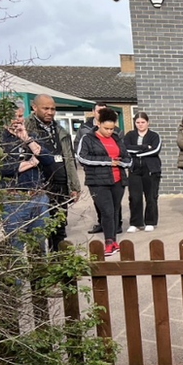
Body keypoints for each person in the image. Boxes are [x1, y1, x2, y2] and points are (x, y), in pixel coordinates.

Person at [25, 93, 80, 251]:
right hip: (39, 187)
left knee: (59, 229)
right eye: (46, 108)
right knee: (39, 232)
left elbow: (69, 160)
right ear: (34, 108)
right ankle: (41, 271)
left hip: (60, 186)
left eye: (53, 109)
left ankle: (59, 268)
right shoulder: (26, 129)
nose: (50, 112)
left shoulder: (61, 130)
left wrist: (74, 186)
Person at [76, 107, 131, 257]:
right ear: (98, 123)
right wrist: (107, 161)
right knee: (106, 212)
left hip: (117, 180)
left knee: (114, 212)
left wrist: (121, 163)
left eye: (112, 128)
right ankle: (108, 242)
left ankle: (113, 240)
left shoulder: (117, 138)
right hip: (98, 182)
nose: (109, 132)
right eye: (106, 128)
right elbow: (81, 158)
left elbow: (127, 158)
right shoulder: (87, 138)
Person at [0, 101, 53, 251]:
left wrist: (27, 139)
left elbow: (48, 159)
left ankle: (40, 274)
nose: (18, 120)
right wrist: (31, 163)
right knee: (15, 246)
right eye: (14, 117)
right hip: (14, 199)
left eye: (20, 116)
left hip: (37, 196)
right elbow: (4, 168)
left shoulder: (32, 136)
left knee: (39, 245)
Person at [75, 102, 122, 235]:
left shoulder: (116, 132)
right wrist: (104, 162)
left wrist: (120, 161)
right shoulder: (85, 130)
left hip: (115, 176)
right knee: (103, 206)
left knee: (113, 207)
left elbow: (123, 154)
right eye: (99, 111)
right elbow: (80, 151)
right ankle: (104, 226)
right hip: (96, 175)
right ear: (93, 112)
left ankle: (115, 226)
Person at [122, 112, 162, 232]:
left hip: (151, 169)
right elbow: (125, 148)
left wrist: (137, 153)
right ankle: (135, 222)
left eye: (143, 122)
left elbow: (155, 150)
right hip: (134, 169)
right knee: (134, 197)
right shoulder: (129, 135)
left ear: (147, 122)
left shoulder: (154, 135)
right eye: (138, 122)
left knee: (151, 196)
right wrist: (145, 147)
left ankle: (150, 221)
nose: (140, 125)